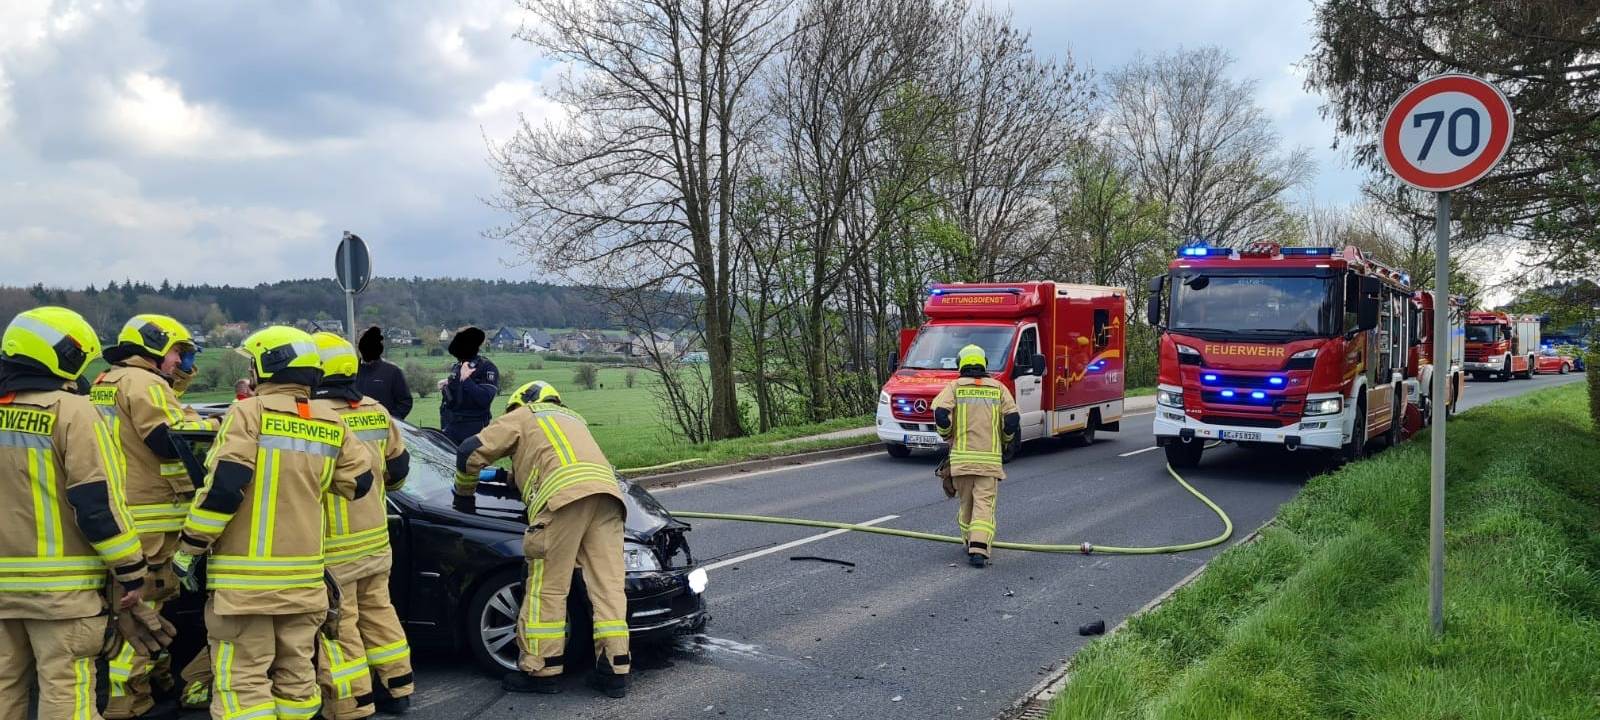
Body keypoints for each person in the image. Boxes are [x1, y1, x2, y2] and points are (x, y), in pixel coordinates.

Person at [172, 326, 374, 720]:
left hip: (245, 587)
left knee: (244, 681)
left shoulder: (248, 413)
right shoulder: (331, 422)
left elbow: (224, 489)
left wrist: (189, 548)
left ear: (268, 365)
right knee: (297, 678)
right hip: (304, 583)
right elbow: (360, 483)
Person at [0, 307, 170, 720]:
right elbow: (96, 504)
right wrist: (130, 571)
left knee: (5, 688)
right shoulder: (73, 411)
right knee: (65, 692)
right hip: (63, 596)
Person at [453, 381, 630, 699]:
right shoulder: (573, 419)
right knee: (608, 588)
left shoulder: (523, 415)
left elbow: (469, 452)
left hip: (563, 504)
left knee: (547, 586)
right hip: (608, 499)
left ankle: (541, 669)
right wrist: (508, 476)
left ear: (520, 402)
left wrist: (464, 495)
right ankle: (615, 669)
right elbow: (554, 463)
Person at [93, 314, 218, 720]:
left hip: (121, 514)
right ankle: (128, 703)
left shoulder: (105, 383)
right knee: (144, 614)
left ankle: (156, 684)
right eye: (179, 353)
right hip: (151, 520)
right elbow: (169, 441)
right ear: (154, 348)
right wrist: (212, 424)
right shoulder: (145, 384)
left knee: (134, 612)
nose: (183, 363)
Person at [309, 332, 415, 718]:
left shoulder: (313, 418)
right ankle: (399, 686)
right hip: (376, 538)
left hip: (334, 546)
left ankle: (354, 702)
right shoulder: (375, 409)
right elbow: (400, 472)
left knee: (341, 624)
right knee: (380, 612)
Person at [931, 344, 1019, 568]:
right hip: (988, 463)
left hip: (961, 462)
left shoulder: (954, 388)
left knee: (966, 505)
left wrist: (946, 434)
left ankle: (970, 541)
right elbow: (1012, 420)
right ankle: (978, 549)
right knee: (984, 506)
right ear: (984, 364)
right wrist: (1007, 440)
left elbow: (940, 414)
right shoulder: (998, 389)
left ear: (961, 363)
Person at [439, 326, 498, 444]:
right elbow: (456, 396)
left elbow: (485, 398)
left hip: (473, 429)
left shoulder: (487, 367)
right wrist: (448, 384)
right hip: (451, 426)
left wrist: (466, 380)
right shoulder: (458, 366)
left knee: (471, 462)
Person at [353, 327, 412, 420]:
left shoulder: (393, 371)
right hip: (356, 431)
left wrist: (391, 420)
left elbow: (405, 402)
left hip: (386, 431)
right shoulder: (351, 373)